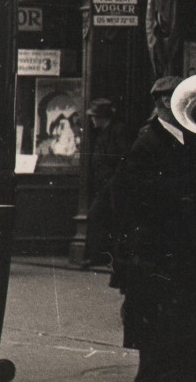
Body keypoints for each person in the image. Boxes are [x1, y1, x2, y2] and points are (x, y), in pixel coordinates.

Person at [110, 76, 196, 382]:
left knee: (190, 351)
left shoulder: (192, 138)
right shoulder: (147, 140)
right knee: (159, 355)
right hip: (161, 263)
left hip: (188, 261)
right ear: (164, 102)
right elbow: (142, 196)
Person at [82, 98, 133, 268]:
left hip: (113, 185)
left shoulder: (118, 132)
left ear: (101, 117)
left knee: (100, 216)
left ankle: (104, 256)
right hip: (104, 185)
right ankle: (102, 256)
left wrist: (114, 181)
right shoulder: (103, 133)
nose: (92, 120)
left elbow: (123, 159)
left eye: (94, 116)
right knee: (104, 218)